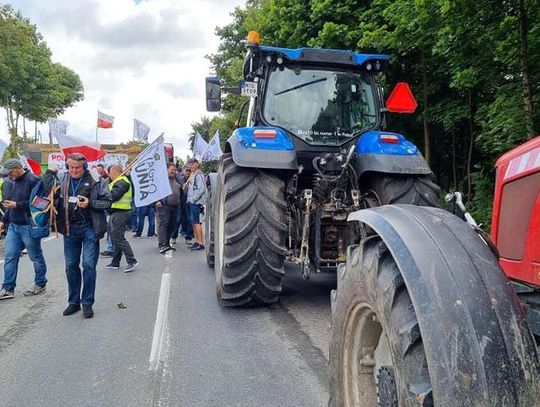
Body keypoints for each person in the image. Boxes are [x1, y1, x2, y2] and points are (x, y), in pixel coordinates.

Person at [45, 153, 111, 318]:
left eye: (78, 168)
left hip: (90, 228)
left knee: (89, 266)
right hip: (69, 228)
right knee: (71, 266)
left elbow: (107, 201)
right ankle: (73, 302)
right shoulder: (62, 179)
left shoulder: (97, 181)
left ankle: (87, 302)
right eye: (71, 167)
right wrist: (49, 173)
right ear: (67, 166)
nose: (74, 170)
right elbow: (47, 190)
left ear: (85, 167)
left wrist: (90, 204)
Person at [0, 159, 48, 300]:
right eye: (7, 173)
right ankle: (8, 288)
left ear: (19, 168)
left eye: (11, 172)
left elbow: (41, 204)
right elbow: (9, 206)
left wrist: (18, 205)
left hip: (28, 225)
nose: (9, 175)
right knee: (10, 256)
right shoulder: (9, 182)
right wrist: (3, 221)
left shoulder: (34, 180)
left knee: (35, 256)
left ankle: (40, 283)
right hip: (13, 226)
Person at [105, 165, 138, 273]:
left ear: (114, 172)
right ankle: (115, 262)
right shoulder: (119, 181)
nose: (108, 175)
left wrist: (104, 194)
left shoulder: (121, 181)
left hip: (120, 212)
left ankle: (131, 261)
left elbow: (113, 195)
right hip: (117, 212)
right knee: (114, 237)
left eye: (109, 173)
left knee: (118, 238)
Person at [156, 163, 181, 254]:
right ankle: (162, 244)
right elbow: (154, 191)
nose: (173, 171)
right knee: (163, 224)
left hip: (175, 207)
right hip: (163, 206)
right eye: (171, 170)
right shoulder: (161, 180)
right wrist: (156, 201)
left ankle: (166, 244)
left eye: (175, 170)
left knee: (171, 225)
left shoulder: (177, 179)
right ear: (166, 170)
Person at [184, 158, 206, 251]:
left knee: (197, 223)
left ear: (197, 164)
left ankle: (201, 243)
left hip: (196, 203)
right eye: (190, 164)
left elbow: (201, 190)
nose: (191, 166)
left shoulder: (199, 175)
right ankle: (197, 241)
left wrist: (193, 200)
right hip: (191, 201)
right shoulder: (193, 175)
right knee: (193, 222)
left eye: (193, 164)